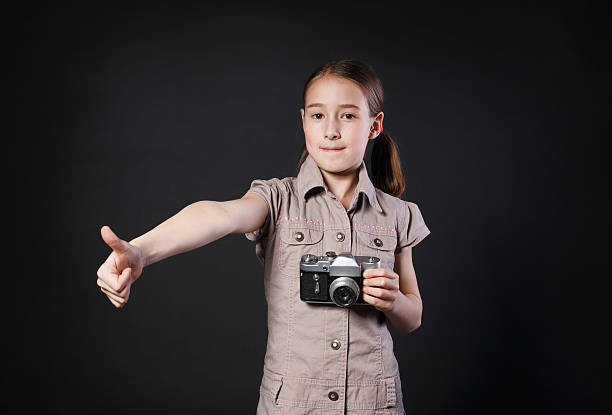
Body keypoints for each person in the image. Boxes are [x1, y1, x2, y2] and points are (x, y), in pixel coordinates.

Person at [96, 58, 431, 415]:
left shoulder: (398, 214)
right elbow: (219, 215)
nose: (331, 130)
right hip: (292, 406)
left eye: (348, 116)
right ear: (303, 120)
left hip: (375, 405)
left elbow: (413, 317)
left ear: (374, 125)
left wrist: (392, 300)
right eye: (318, 116)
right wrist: (141, 251)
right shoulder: (277, 200)